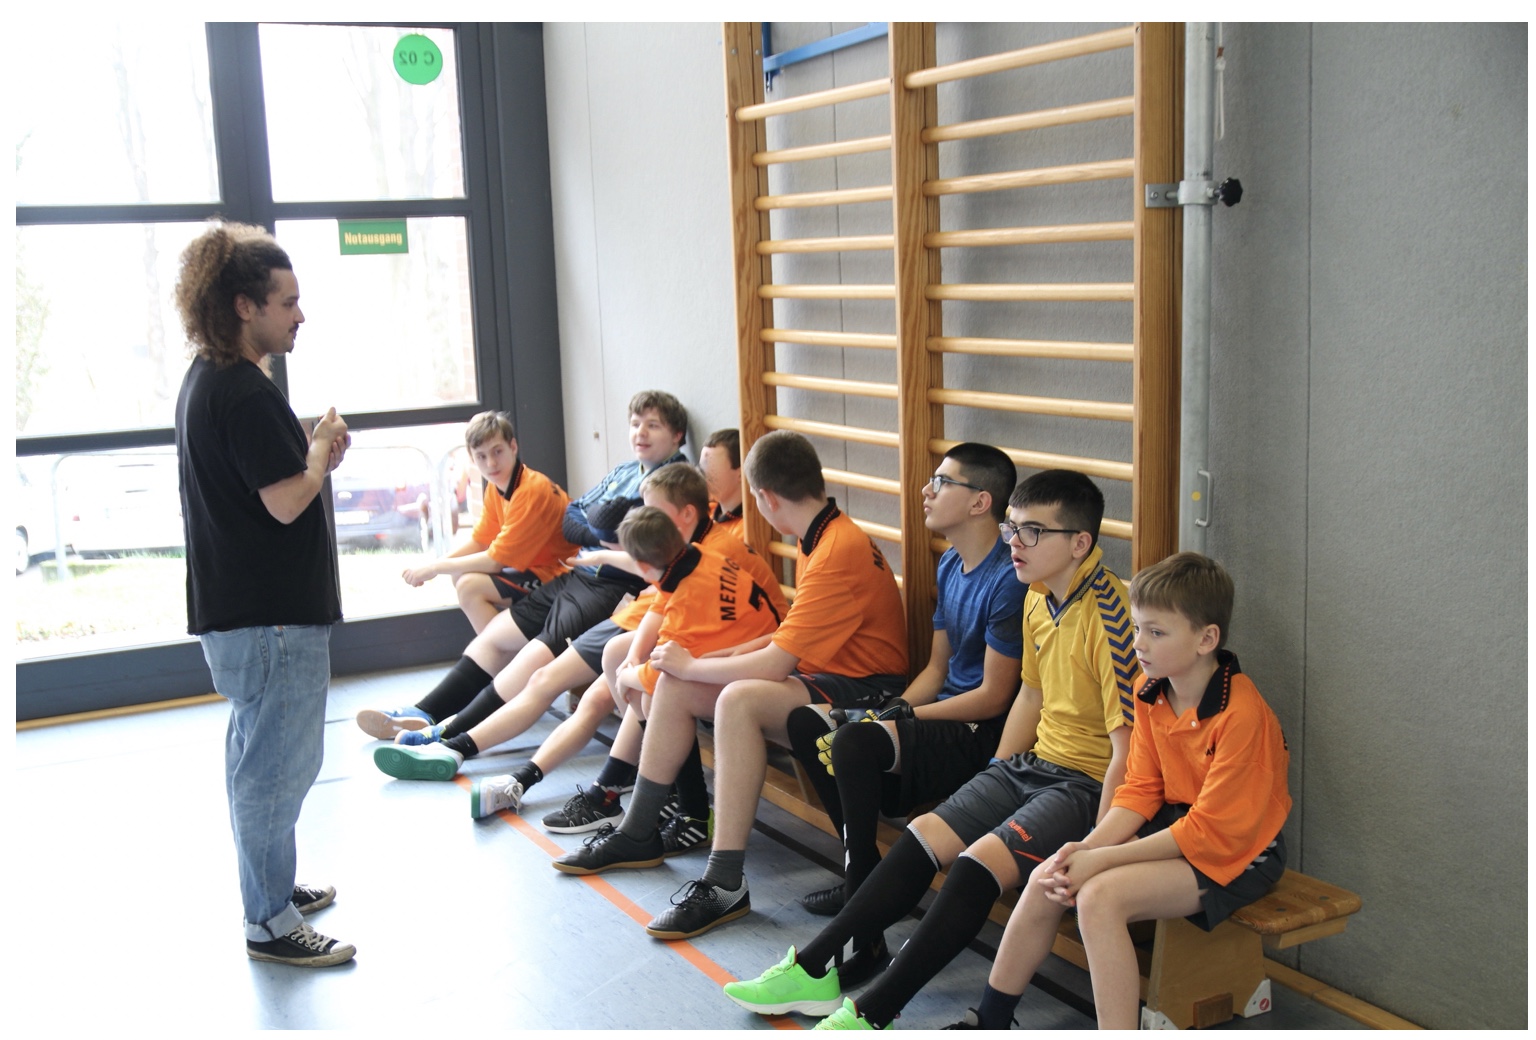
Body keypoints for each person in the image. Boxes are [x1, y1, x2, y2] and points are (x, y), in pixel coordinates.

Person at [722, 468, 1138, 1026]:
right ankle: (813, 969)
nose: (1015, 542)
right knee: (922, 836)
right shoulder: (1039, 597)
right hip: (1031, 765)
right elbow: (1030, 697)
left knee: (973, 865)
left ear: (1080, 543)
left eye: (1033, 532)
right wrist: (995, 775)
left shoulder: (1113, 616)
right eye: (1012, 528)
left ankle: (874, 1012)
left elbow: (1127, 749)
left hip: (1083, 785)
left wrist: (1098, 847)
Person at [552, 430, 908, 945]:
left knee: (737, 700)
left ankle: (724, 882)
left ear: (765, 498)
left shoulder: (835, 549)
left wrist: (696, 664)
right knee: (676, 683)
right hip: (828, 673)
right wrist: (701, 663)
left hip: (866, 688)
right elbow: (786, 639)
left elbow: (776, 662)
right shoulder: (821, 533)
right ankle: (637, 832)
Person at [950, 552, 1289, 1031]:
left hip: (1241, 849)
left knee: (1099, 898)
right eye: (1135, 628)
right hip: (1176, 825)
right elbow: (1141, 789)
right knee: (1051, 875)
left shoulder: (1242, 715)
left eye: (1157, 632)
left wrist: (1103, 859)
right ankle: (990, 1020)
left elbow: (1209, 831)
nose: (1139, 644)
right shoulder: (1148, 687)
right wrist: (1086, 848)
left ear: (1206, 639)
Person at [172, 220, 355, 967]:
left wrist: (309, 456)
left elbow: (266, 485)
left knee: (259, 761)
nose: (300, 315)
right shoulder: (244, 391)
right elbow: (284, 502)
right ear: (245, 306)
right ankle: (270, 922)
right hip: (270, 620)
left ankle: (271, 888)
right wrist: (319, 455)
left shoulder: (210, 378)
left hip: (245, 615)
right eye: (288, 302)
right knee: (277, 770)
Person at [784, 443, 1025, 943]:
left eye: (942, 482)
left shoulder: (1008, 579)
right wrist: (896, 710)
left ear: (980, 502)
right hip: (941, 714)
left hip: (980, 730)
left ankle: (861, 898)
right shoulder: (950, 564)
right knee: (808, 722)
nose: (925, 490)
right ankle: (864, 874)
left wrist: (902, 720)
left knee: (855, 741)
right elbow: (936, 670)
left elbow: (993, 698)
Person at [353, 391, 688, 741]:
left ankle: (445, 733)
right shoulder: (624, 470)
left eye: (653, 426)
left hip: (611, 587)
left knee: (531, 657)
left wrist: (435, 567)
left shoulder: (673, 485)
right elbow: (572, 517)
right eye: (635, 424)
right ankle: (425, 711)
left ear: (677, 435)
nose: (641, 433)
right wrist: (603, 531)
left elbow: (644, 544)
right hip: (579, 573)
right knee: (495, 636)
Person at [398, 411, 577, 634]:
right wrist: (434, 565)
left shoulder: (531, 491)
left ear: (513, 447)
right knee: (460, 574)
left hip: (565, 573)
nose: (491, 463)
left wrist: (435, 568)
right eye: (481, 456)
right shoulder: (497, 486)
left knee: (469, 587)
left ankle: (500, 651)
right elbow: (480, 541)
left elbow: (494, 562)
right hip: (538, 569)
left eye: (497, 451)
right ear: (472, 459)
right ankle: (511, 645)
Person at [699, 428, 744, 535]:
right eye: (701, 469)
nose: (702, 477)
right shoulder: (704, 512)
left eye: (711, 468)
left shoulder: (746, 530)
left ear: (741, 474)